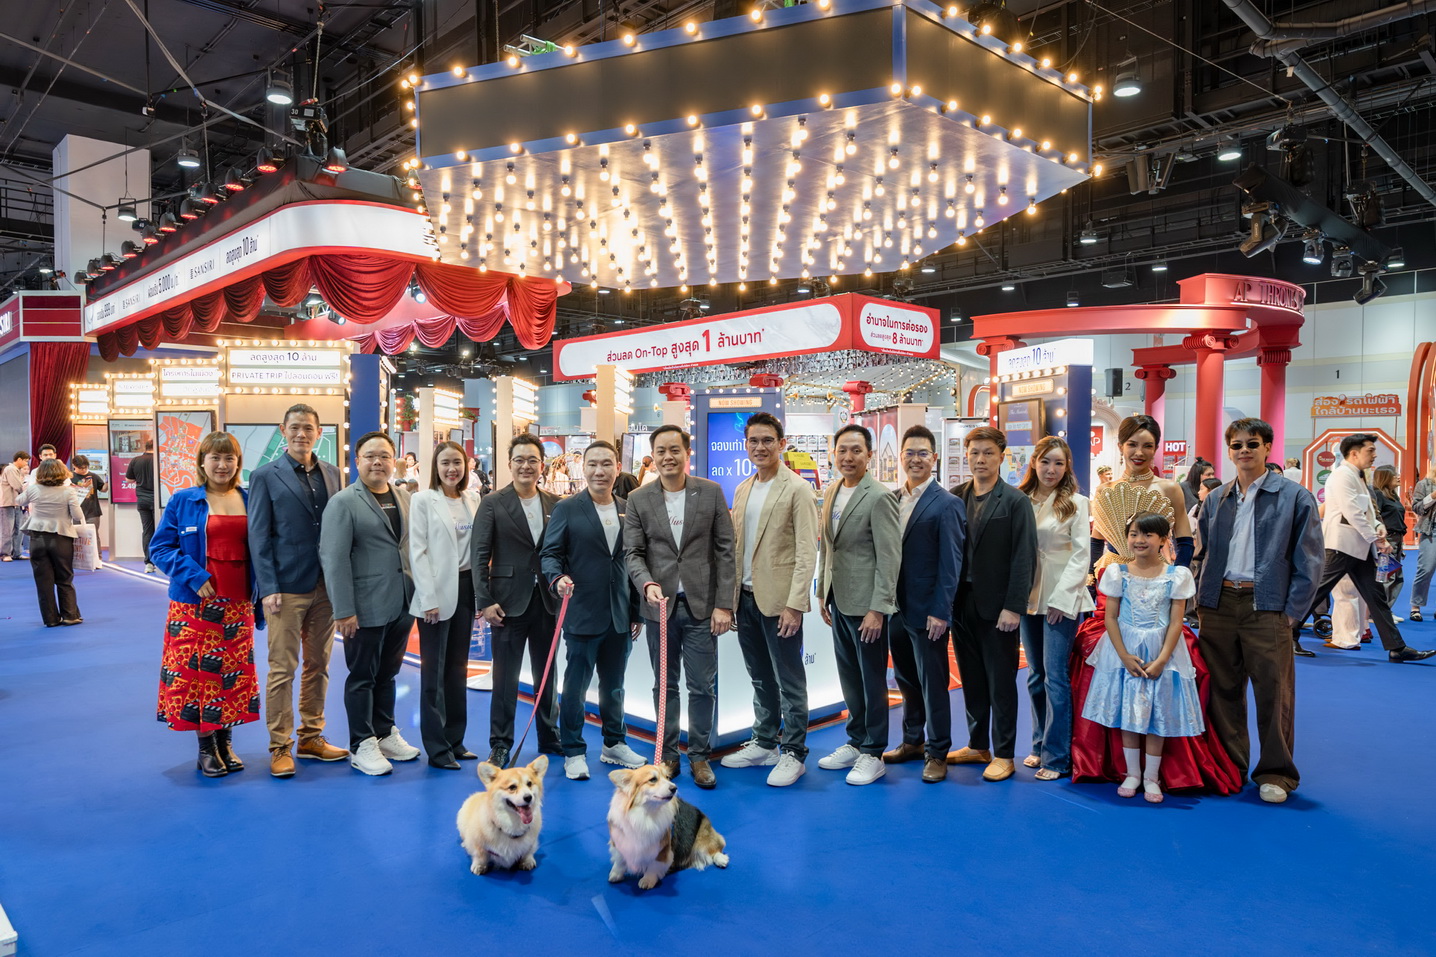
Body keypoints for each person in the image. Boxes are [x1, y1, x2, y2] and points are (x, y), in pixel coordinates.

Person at [1070, 414, 1240, 794]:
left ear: (1156, 448)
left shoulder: (1170, 489)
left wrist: (1172, 578)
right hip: (1114, 585)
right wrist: (1095, 579)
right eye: (1132, 444)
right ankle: (1108, 763)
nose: (1139, 452)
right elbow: (1098, 541)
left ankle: (1157, 771)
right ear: (1121, 446)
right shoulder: (1106, 491)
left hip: (1158, 587)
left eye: (1148, 445)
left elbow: (1185, 541)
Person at [1195, 417, 1324, 804]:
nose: (1244, 450)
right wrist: (1200, 599)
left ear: (1267, 447)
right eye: (1236, 445)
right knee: (1222, 691)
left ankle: (1276, 773)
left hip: (1266, 606)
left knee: (1274, 692)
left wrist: (1291, 613)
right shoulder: (1216, 498)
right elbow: (1203, 553)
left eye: (1252, 443)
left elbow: (1310, 560)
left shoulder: (1295, 497)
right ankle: (1230, 767)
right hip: (1218, 605)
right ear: (1229, 451)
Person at [624, 425, 736, 788]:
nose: (668, 457)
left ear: (687, 452)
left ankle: (700, 756)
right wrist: (646, 583)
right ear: (653, 456)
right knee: (665, 686)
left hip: (702, 608)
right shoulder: (639, 499)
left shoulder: (710, 492)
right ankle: (668, 755)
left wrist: (724, 605)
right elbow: (633, 553)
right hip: (659, 609)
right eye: (661, 451)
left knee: (702, 686)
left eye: (675, 449)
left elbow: (726, 551)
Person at [149, 432, 261, 777]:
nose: (222, 465)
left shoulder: (250, 500)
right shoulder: (184, 500)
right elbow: (160, 548)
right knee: (200, 678)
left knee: (232, 676)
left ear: (238, 463)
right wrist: (193, 575)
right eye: (215, 457)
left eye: (229, 458)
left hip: (239, 605)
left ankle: (225, 742)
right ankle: (206, 748)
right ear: (202, 462)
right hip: (195, 607)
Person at [246, 404, 348, 777]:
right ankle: (279, 746)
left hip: (326, 588)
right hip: (285, 589)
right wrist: (268, 586)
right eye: (295, 428)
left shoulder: (333, 474)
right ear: (283, 430)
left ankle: (311, 736)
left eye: (308, 428)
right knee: (282, 668)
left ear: (319, 432)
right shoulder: (264, 476)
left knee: (319, 665)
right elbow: (258, 535)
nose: (301, 434)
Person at [722, 412, 819, 788]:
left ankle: (794, 751)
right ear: (745, 445)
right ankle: (765, 743)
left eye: (767, 440)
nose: (760, 447)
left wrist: (795, 605)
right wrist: (730, 598)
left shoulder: (797, 489)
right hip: (746, 600)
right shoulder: (743, 488)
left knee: (789, 680)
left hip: (780, 603)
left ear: (781, 444)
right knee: (760, 678)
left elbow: (806, 551)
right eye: (753, 441)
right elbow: (736, 547)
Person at [539, 440, 646, 781]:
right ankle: (573, 749)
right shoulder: (567, 509)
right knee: (575, 687)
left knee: (614, 686)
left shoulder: (628, 508)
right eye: (593, 464)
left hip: (619, 614)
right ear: (583, 469)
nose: (600, 471)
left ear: (618, 468)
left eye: (606, 464)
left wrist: (636, 611)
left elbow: (634, 561)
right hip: (582, 611)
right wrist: (557, 578)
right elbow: (550, 553)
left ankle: (614, 742)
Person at [1082, 512, 1204, 804]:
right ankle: (1132, 773)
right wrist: (1123, 655)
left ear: (1163, 540)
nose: (1140, 540)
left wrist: (1162, 659)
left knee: (1157, 711)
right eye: (1134, 534)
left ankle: (1151, 775)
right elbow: (1110, 617)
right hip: (1125, 650)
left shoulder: (1176, 576)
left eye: (1148, 535)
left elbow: (1176, 622)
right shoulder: (1118, 573)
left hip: (1162, 651)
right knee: (1129, 709)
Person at [319, 431, 422, 776]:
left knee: (388, 673)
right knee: (362, 676)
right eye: (370, 456)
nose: (378, 462)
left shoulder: (404, 497)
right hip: (363, 607)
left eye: (385, 456)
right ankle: (361, 743)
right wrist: (344, 609)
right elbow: (334, 559)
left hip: (402, 602)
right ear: (358, 460)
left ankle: (384, 732)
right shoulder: (343, 503)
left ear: (394, 461)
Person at [944, 426, 1036, 783]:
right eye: (974, 453)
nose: (980, 459)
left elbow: (1024, 557)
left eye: (988, 453)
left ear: (1001, 457)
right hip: (960, 602)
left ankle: (1004, 754)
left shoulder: (1015, 501)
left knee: (1001, 682)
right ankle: (978, 744)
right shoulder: (955, 497)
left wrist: (1014, 606)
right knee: (971, 678)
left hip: (999, 608)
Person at [1294, 434, 1434, 663]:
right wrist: (1377, 539)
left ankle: (1397, 647)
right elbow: (1352, 512)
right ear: (1354, 453)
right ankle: (1287, 634)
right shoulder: (1342, 476)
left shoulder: (1356, 476)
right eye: (1370, 450)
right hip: (1341, 547)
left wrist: (1378, 528)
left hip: (1358, 548)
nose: (1374, 455)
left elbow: (1366, 511)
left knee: (1376, 598)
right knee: (1316, 592)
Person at [815, 424, 901, 786]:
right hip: (839, 600)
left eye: (856, 450)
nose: (848, 457)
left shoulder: (879, 497)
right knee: (850, 678)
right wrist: (822, 592)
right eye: (842, 450)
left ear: (869, 455)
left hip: (867, 607)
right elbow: (828, 546)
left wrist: (878, 609)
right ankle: (855, 740)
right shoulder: (832, 491)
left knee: (871, 680)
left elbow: (890, 558)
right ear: (834, 454)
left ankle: (873, 750)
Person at [881, 425, 965, 784]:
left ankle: (937, 751)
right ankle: (912, 741)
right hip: (895, 609)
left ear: (934, 458)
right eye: (909, 453)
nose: (915, 459)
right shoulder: (891, 499)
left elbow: (951, 562)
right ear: (900, 457)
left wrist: (941, 611)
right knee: (906, 680)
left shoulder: (947, 503)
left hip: (928, 611)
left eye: (922, 453)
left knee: (933, 683)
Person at [473, 433, 562, 768]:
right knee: (505, 678)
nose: (526, 466)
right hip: (507, 603)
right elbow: (479, 554)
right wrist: (484, 600)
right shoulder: (493, 502)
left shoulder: (556, 503)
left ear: (542, 465)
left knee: (547, 674)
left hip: (547, 601)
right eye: (520, 460)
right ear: (510, 465)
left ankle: (549, 735)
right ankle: (500, 744)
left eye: (532, 460)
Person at [1015, 435, 1093, 782]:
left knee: (1056, 676)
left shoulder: (1076, 502)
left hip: (1062, 597)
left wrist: (1062, 599)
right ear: (1034, 462)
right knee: (1036, 675)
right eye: (1045, 461)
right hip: (1028, 595)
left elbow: (1081, 554)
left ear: (1067, 467)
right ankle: (1039, 744)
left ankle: (1058, 757)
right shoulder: (1021, 499)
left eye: (1059, 463)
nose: (1051, 469)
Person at [409, 440, 482, 769]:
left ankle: (455, 740)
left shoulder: (472, 499)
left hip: (465, 590)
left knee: (457, 669)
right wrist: (428, 598)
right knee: (433, 674)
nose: (452, 469)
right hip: (435, 595)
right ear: (435, 468)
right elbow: (418, 551)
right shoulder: (423, 500)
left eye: (457, 462)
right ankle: (437, 749)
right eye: (445, 463)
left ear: (466, 467)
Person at [16, 459, 85, 627]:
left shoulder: (33, 489)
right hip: (61, 538)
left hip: (37, 539)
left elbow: (19, 501)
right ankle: (70, 615)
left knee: (43, 581)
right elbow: (77, 515)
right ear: (62, 473)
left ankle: (51, 619)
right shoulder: (68, 492)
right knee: (64, 578)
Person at [1370, 465, 1407, 612]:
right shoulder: (1378, 495)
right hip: (1387, 541)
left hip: (1397, 540)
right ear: (1385, 478)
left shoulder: (1393, 496)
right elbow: (1374, 517)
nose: (1398, 477)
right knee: (1386, 577)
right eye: (1394, 475)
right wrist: (1381, 541)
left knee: (1396, 578)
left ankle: (1385, 611)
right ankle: (1379, 612)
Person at [126, 438, 157, 573]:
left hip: (142, 500)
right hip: (158, 501)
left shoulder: (136, 460)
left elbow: (128, 479)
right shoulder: (159, 460)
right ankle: (161, 561)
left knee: (147, 530)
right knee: (162, 530)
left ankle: (149, 563)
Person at [1411, 461, 1436, 622]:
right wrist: (1432, 496)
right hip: (1431, 531)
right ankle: (1415, 606)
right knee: (1425, 569)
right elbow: (1417, 508)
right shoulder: (1424, 484)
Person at [2, 451, 32, 560]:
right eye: (25, 461)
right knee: (7, 530)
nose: (26, 464)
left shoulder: (17, 470)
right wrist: (28, 490)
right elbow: (17, 486)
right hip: (7, 504)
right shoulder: (10, 469)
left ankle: (17, 553)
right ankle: (5, 554)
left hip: (17, 503)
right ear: (19, 459)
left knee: (18, 529)